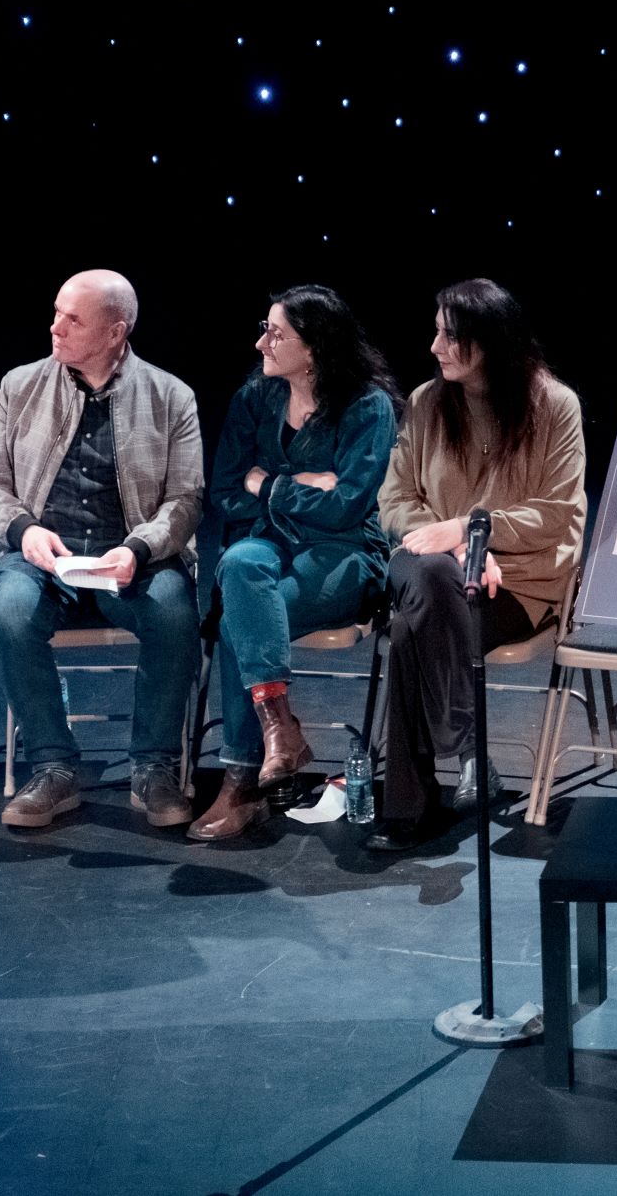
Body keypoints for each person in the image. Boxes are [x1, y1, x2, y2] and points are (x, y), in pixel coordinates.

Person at [0, 269, 203, 828]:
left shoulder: (171, 396)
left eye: (72, 319)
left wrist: (139, 549)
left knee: (174, 611)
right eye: (56, 312)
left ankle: (153, 766)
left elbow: (186, 498)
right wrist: (24, 529)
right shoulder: (19, 386)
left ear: (115, 332)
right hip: (43, 559)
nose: (55, 327)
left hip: (130, 561)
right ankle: (53, 766)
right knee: (10, 612)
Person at [366, 278, 586, 850]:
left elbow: (559, 514)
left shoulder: (554, 406)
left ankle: (407, 811)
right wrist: (457, 551)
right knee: (432, 579)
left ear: (489, 342)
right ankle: (468, 750)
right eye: (436, 332)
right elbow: (394, 501)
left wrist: (473, 534)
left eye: (448, 335)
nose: (434, 347)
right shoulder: (425, 403)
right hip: (433, 568)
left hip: (517, 583)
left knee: (411, 630)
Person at [189, 286, 402, 841]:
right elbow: (226, 492)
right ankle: (278, 731)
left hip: (346, 553)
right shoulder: (255, 397)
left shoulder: (366, 406)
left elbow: (347, 506)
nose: (262, 341)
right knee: (239, 567)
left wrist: (274, 483)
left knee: (243, 617)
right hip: (268, 541)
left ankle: (241, 780)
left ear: (314, 347)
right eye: (264, 327)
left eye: (276, 333)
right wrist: (302, 487)